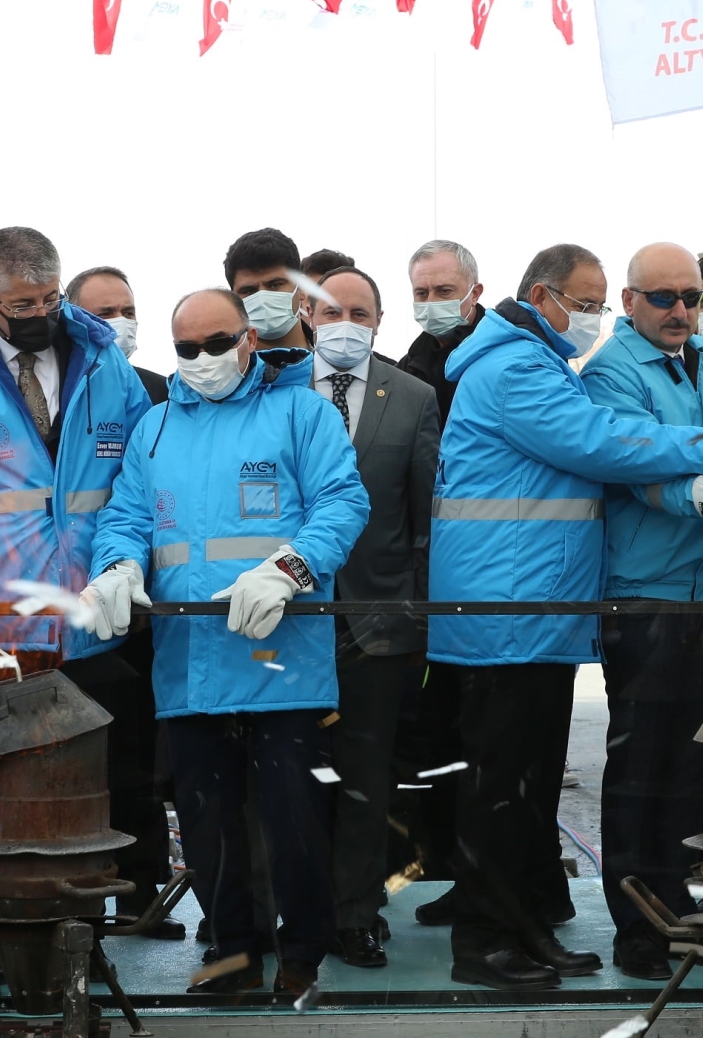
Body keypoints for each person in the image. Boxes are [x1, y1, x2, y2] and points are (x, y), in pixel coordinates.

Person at [429, 243, 703, 991]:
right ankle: (487, 941)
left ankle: (522, 930)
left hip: (536, 605)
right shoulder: (518, 368)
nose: (588, 317)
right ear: (543, 296)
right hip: (508, 606)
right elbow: (601, 442)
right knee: (504, 784)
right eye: (586, 302)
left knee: (528, 784)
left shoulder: (537, 361)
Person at [85, 288, 369, 997]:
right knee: (209, 826)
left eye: (219, 343)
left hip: (285, 660)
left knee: (294, 819)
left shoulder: (301, 412)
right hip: (192, 664)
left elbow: (344, 500)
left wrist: (289, 567)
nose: (205, 359)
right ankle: (233, 953)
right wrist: (117, 566)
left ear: (249, 339)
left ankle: (302, 954)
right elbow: (124, 518)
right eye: (188, 349)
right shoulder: (153, 430)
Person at [0, 228, 167, 924]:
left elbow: (138, 479)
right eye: (23, 302)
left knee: (117, 765)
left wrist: (129, 577)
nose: (40, 312)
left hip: (93, 612)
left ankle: (134, 904)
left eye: (50, 297)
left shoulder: (106, 365)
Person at [579, 244, 703, 980]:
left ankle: (694, 912)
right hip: (645, 591)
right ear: (628, 301)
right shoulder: (613, 371)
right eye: (663, 298)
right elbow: (633, 465)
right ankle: (640, 925)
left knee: (700, 770)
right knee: (640, 768)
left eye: (692, 296)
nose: (681, 310)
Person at [302, 265, 441, 969]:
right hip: (288, 621)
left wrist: (412, 609)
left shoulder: (412, 397)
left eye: (361, 312)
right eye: (332, 311)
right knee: (286, 775)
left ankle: (357, 913)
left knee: (365, 778)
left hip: (378, 623)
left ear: (380, 322)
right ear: (306, 315)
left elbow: (424, 520)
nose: (346, 323)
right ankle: (288, 909)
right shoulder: (271, 392)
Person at [400, 239, 486, 424]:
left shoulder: (506, 354)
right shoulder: (408, 368)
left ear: (474, 294)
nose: (430, 302)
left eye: (444, 291)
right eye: (422, 293)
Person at [67, 264, 166, 404]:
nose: (122, 321)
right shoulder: (55, 389)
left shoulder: (162, 393)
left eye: (128, 313)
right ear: (74, 320)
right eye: (106, 314)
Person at [225, 227, 313, 351]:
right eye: (249, 291)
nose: (262, 299)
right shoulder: (224, 368)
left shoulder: (336, 363)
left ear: (301, 289)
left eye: (275, 285)